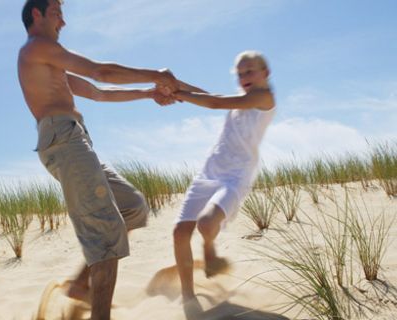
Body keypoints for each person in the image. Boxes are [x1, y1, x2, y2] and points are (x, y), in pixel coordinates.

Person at [17, 1, 177, 318]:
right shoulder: (37, 48)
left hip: (77, 140)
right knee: (105, 233)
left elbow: (99, 92)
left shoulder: (52, 64)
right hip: (64, 141)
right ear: (37, 14)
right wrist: (155, 74)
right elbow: (100, 70)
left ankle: (80, 285)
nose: (63, 21)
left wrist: (149, 92)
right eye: (56, 13)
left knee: (132, 206)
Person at [168, 51, 276, 304]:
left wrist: (177, 95)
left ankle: (209, 250)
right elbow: (213, 97)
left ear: (265, 73)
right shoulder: (241, 100)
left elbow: (215, 104)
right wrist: (175, 84)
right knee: (179, 233)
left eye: (250, 71)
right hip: (209, 171)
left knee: (206, 223)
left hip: (236, 177)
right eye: (240, 73)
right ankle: (188, 296)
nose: (244, 77)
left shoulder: (264, 96)